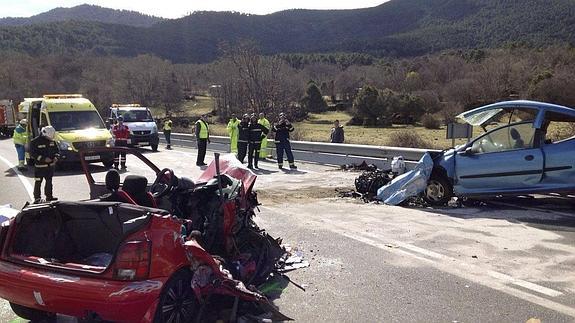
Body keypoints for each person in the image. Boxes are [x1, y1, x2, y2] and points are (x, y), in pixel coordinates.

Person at [30, 126, 59, 203]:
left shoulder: (52, 141)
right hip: (40, 167)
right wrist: (43, 159)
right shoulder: (35, 142)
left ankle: (49, 197)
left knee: (49, 181)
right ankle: (37, 198)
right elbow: (33, 153)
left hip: (50, 167)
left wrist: (56, 157)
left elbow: (57, 151)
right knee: (38, 182)